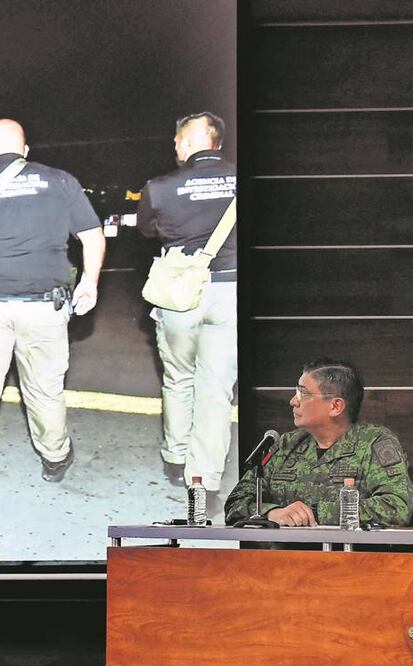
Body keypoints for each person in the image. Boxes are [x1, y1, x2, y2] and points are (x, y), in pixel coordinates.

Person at [0, 118, 106, 512]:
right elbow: (92, 235)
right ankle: (55, 457)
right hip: (45, 308)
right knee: (44, 389)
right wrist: (90, 283)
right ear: (25, 151)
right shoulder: (59, 181)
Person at [136, 111, 237, 516]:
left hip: (180, 295)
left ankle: (176, 460)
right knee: (216, 391)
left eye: (177, 141)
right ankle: (205, 484)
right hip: (231, 293)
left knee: (178, 378)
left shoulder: (160, 188)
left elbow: (147, 230)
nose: (174, 148)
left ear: (192, 141)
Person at [224, 358, 413, 527]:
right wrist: (272, 513)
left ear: (335, 406)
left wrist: (313, 513)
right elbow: (235, 503)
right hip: (282, 561)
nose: (293, 401)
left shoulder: (374, 443)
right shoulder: (287, 444)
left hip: (351, 561)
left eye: (303, 394)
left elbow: (396, 507)